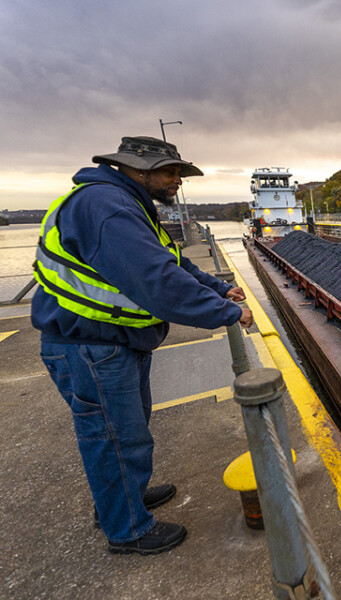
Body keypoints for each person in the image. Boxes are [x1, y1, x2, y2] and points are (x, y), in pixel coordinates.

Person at [32, 136, 254, 555]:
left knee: (127, 431)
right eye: (170, 172)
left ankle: (122, 499)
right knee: (116, 437)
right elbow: (157, 281)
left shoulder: (125, 203)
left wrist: (217, 289)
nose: (177, 182)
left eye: (178, 174)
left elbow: (174, 262)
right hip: (90, 345)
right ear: (137, 169)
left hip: (111, 341)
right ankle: (128, 528)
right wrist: (226, 313)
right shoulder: (108, 208)